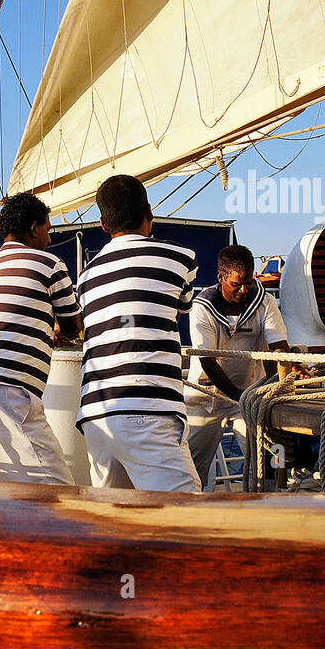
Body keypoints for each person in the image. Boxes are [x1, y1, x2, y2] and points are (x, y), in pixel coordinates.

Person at [75, 174, 201, 492]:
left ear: (103, 224)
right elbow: (182, 304)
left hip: (96, 414)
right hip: (147, 409)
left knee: (115, 520)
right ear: (150, 212)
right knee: (184, 516)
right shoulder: (180, 258)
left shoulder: (85, 278)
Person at [0, 192, 80, 483]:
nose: (49, 238)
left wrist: (41, 333)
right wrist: (60, 333)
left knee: (7, 490)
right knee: (58, 491)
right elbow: (73, 326)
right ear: (34, 228)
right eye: (48, 230)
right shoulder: (49, 264)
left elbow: (2, 321)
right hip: (10, 392)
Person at [185, 244, 292, 490]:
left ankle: (274, 500)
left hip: (250, 394)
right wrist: (239, 396)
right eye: (236, 284)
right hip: (206, 398)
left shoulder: (265, 302)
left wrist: (282, 381)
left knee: (269, 455)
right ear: (221, 277)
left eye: (249, 282)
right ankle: (193, 513)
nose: (244, 290)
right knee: (192, 468)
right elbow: (207, 359)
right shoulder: (202, 307)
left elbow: (279, 346)